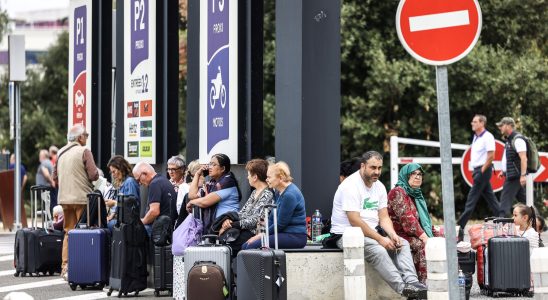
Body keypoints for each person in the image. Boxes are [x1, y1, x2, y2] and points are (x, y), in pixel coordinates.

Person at [330, 151, 427, 298]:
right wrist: (380, 239)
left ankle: (413, 284)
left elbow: (384, 217)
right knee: (379, 250)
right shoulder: (350, 186)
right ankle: (403, 289)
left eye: (379, 168)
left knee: (403, 244)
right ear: (363, 166)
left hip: (371, 233)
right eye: (373, 167)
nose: (377, 172)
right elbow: (354, 220)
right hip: (347, 234)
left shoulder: (379, 186)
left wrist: (392, 235)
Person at [53, 124, 99, 280]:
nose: (86, 137)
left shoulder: (60, 153)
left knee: (69, 232)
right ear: (79, 137)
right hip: (81, 198)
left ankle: (65, 267)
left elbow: (54, 178)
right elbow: (94, 175)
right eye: (86, 134)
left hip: (64, 199)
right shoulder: (84, 151)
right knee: (84, 232)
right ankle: (83, 265)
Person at [388, 163, 441, 283]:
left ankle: (453, 282)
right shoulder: (398, 192)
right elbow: (408, 220)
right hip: (401, 235)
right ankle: (424, 285)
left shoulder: (416, 194)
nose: (417, 177)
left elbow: (424, 221)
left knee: (445, 242)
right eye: (413, 174)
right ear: (406, 176)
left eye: (420, 174)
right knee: (424, 246)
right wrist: (425, 237)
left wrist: (435, 235)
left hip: (414, 234)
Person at [242, 161, 307, 250]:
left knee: (251, 246)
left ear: (280, 178)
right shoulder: (278, 192)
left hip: (295, 236)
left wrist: (262, 235)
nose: (266, 180)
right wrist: (261, 234)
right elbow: (272, 219)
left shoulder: (290, 195)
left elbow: (280, 224)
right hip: (283, 233)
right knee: (246, 245)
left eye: (269, 177)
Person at [457, 114, 501, 241]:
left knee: (471, 200)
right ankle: (506, 222)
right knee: (492, 200)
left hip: (483, 170)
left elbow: (491, 155)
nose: (472, 123)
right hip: (479, 170)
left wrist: (481, 171)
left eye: (475, 121)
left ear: (482, 123)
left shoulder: (488, 137)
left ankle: (459, 228)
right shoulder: (476, 137)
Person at [217, 159, 274, 251]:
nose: (247, 178)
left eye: (248, 175)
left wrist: (233, 224)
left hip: (254, 233)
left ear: (255, 177)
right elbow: (243, 212)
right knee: (222, 242)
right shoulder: (255, 192)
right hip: (244, 230)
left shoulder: (267, 194)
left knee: (227, 247)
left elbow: (257, 219)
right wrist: (229, 221)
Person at [186, 154, 241, 231]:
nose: (210, 167)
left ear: (222, 168)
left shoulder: (227, 181)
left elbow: (205, 202)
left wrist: (192, 202)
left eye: (214, 164)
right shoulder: (212, 183)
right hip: (217, 225)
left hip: (227, 224)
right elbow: (192, 195)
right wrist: (197, 174)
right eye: (210, 164)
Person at [133, 162, 175, 236]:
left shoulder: (154, 184)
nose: (139, 183)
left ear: (144, 173)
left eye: (138, 179)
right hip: (167, 228)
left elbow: (154, 211)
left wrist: (143, 221)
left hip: (159, 229)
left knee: (133, 232)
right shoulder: (163, 180)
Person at [497, 117, 527, 216]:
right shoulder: (509, 140)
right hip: (512, 174)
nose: (500, 127)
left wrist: (523, 175)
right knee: (525, 203)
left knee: (504, 203)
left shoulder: (517, 139)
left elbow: (523, 158)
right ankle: (540, 224)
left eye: (502, 125)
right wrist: (504, 171)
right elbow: (510, 159)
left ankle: (502, 225)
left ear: (509, 125)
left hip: (515, 176)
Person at [105, 155, 140, 230]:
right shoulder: (124, 183)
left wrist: (114, 203)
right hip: (123, 220)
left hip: (129, 223)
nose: (113, 175)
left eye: (114, 171)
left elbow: (132, 205)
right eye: (111, 172)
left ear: (121, 169)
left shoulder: (129, 182)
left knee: (108, 226)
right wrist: (112, 216)